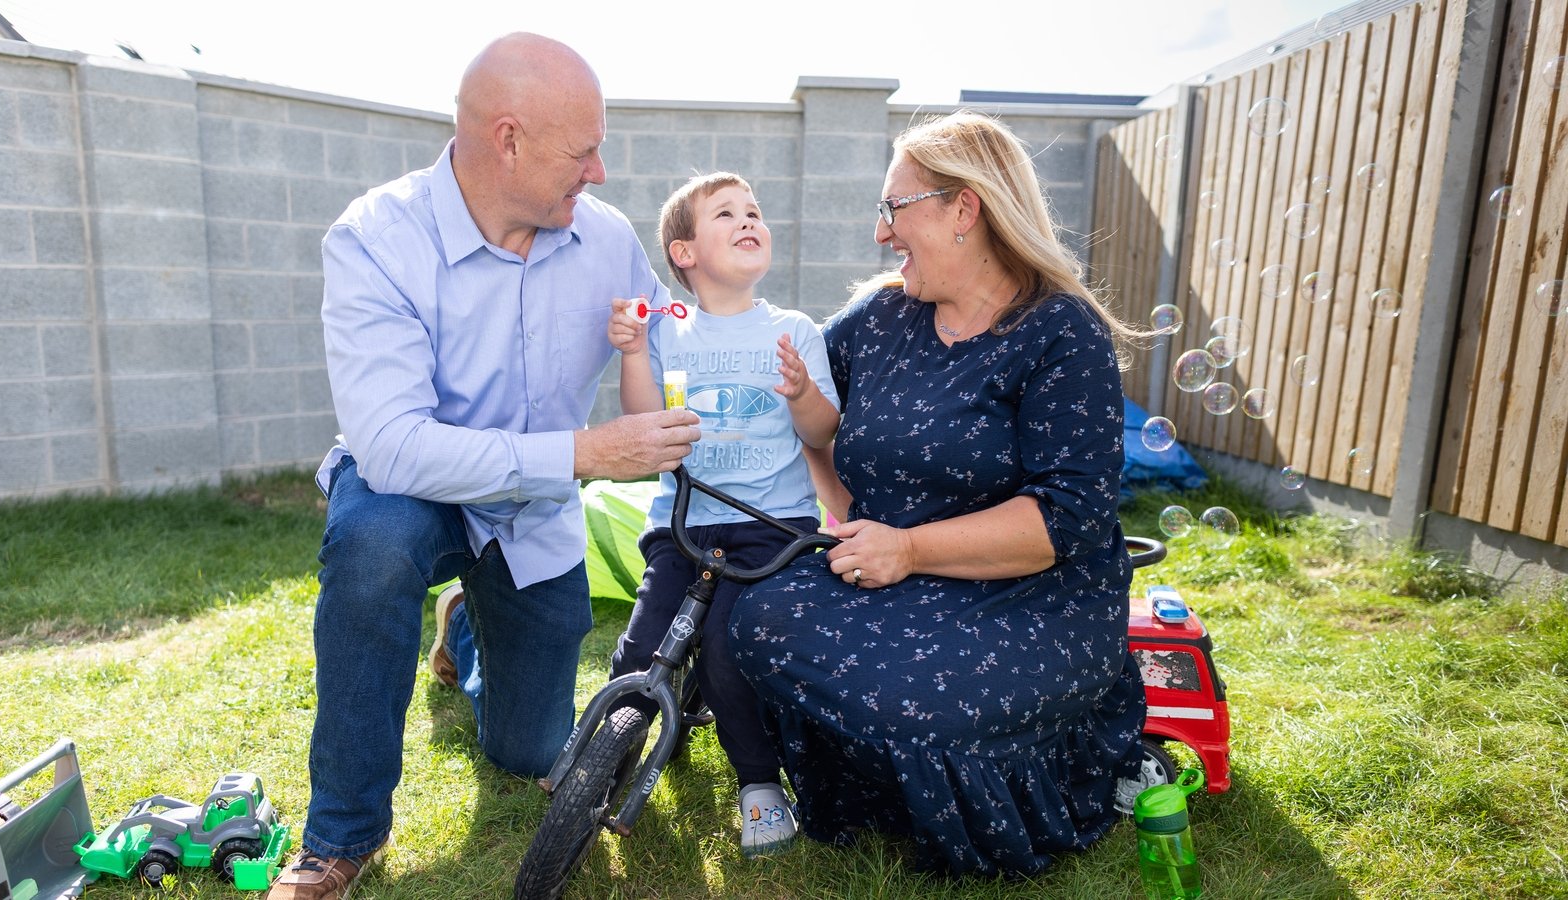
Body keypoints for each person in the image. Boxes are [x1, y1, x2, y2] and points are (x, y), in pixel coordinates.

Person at [271, 34, 700, 900]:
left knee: (530, 750)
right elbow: (392, 444)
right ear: (508, 139)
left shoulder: (606, 241)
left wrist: (747, 332)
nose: (602, 174)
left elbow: (675, 332)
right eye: (584, 152)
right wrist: (587, 454)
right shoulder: (375, 238)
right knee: (373, 549)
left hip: (530, 515)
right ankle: (339, 840)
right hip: (411, 494)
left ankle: (463, 624)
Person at [728, 110, 1153, 878]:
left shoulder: (1062, 332)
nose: (882, 234)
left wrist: (910, 547)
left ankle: (1056, 756)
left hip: (1035, 595)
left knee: (929, 703)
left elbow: (1067, 519)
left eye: (895, 208)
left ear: (965, 209)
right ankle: (891, 781)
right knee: (761, 617)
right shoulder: (879, 318)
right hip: (895, 582)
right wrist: (855, 518)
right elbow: (813, 424)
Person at [605, 172, 840, 857]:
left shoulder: (793, 330)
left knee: (730, 653)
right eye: (726, 214)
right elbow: (644, 421)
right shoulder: (669, 332)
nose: (748, 221)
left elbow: (822, 433)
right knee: (641, 646)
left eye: (755, 212)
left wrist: (799, 393)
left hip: (774, 528)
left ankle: (760, 787)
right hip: (686, 519)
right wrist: (628, 351)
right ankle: (604, 763)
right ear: (684, 254)